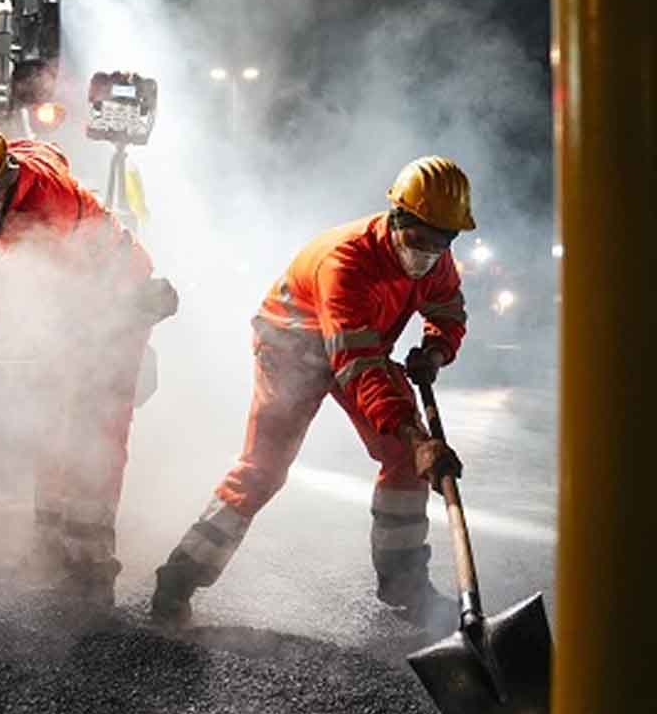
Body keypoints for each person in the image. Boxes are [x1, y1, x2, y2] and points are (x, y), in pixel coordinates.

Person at [149, 156, 472, 626]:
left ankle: (405, 586)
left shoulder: (436, 261)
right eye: (420, 240)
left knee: (403, 458)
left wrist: (435, 351)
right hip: (290, 348)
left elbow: (447, 311)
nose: (427, 254)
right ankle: (179, 577)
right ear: (398, 218)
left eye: (442, 242)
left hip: (358, 343)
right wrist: (418, 437)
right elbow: (357, 367)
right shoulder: (346, 261)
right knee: (263, 470)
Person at [0, 116, 178, 605]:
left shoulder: (42, 220)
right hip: (71, 300)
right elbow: (45, 147)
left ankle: (92, 569)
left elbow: (7, 310)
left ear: (5, 180)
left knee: (94, 431)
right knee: (53, 423)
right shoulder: (16, 159)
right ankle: (48, 548)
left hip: (113, 299)